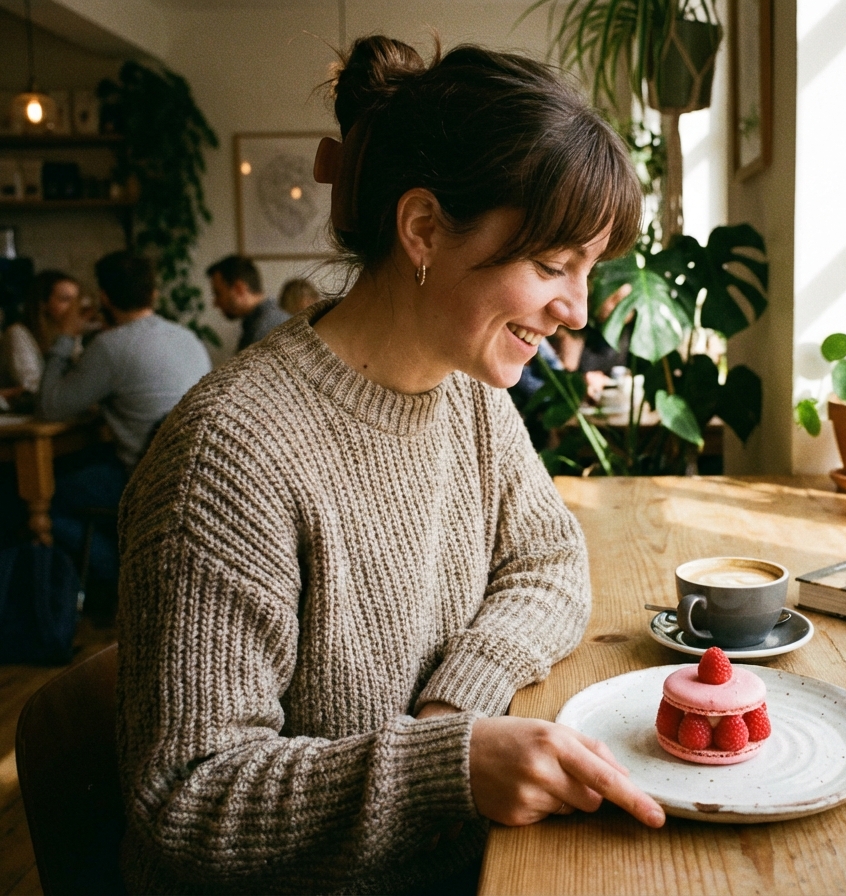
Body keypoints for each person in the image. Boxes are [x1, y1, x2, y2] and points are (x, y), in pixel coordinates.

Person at [115, 35, 663, 896]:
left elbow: (548, 562)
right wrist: (447, 768)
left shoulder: (468, 394)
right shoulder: (227, 457)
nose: (575, 310)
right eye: (553, 265)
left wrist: (456, 707)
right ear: (422, 230)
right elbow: (187, 801)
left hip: (467, 864)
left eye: (587, 271)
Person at [37, 250, 211, 583]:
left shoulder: (109, 347)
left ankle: (124, 576)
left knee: (42, 498)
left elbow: (49, 406)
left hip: (144, 480)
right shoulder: (188, 338)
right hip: (196, 478)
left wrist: (66, 336)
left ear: (104, 297)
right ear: (153, 293)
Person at [0, 269, 83, 404]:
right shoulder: (18, 333)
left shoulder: (69, 333)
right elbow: (33, 387)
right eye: (66, 300)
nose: (74, 308)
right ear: (43, 304)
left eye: (77, 300)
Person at [206, 254, 291, 349]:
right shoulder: (264, 321)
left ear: (239, 289)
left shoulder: (263, 332)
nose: (215, 303)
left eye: (218, 293)